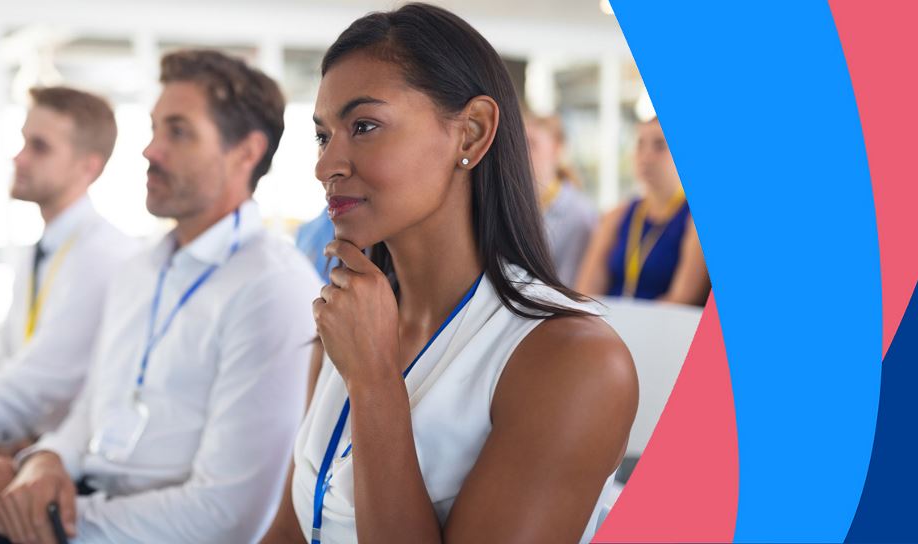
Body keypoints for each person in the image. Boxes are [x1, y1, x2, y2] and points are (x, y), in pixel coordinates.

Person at [260, 4, 638, 543]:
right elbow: (290, 531)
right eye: (324, 135)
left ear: (472, 133)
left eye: (364, 126)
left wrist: (375, 385)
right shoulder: (348, 321)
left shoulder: (575, 361)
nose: (327, 166)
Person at [0, 50, 320, 544]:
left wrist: (51, 521)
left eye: (178, 132)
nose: (149, 150)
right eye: (153, 129)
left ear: (245, 153)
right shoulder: (141, 268)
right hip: (87, 507)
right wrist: (45, 461)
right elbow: (94, 409)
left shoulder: (272, 288)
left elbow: (225, 516)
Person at [0, 86, 137, 455]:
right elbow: (8, 359)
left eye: (39, 147)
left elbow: (39, 386)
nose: (19, 158)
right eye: (23, 142)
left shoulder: (102, 255)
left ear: (88, 166)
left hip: (72, 465)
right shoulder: (42, 248)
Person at [575, 116, 710, 306]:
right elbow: (585, 293)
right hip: (609, 324)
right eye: (640, 145)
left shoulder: (691, 221)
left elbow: (682, 299)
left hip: (662, 327)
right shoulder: (617, 215)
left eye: (660, 146)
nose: (646, 156)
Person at [524, 111, 597, 287]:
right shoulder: (514, 205)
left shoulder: (580, 215)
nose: (520, 152)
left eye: (531, 144)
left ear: (556, 148)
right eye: (517, 143)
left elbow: (569, 288)